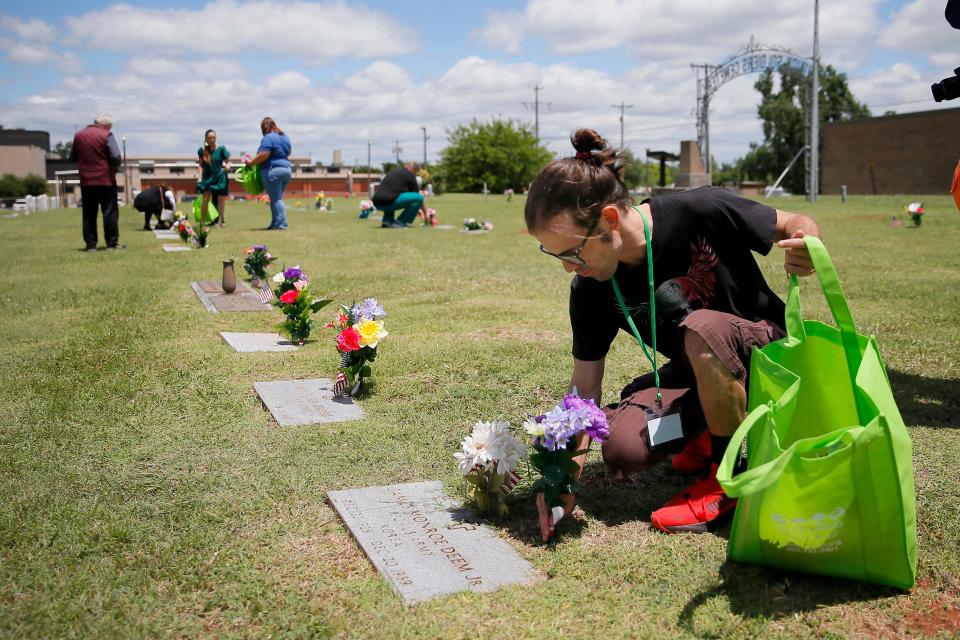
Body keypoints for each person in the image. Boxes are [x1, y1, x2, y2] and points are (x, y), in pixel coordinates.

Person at [525, 129, 819, 541]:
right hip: (700, 373)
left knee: (700, 327)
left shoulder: (699, 208)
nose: (568, 267)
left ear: (609, 219)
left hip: (768, 357)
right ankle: (704, 431)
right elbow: (584, 391)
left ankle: (729, 480)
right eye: (556, 255)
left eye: (573, 253)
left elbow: (792, 221)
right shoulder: (591, 287)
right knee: (624, 446)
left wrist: (806, 239)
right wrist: (563, 484)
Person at [70, 113, 124, 251]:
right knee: (109, 212)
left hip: (86, 181)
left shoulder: (78, 136)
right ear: (106, 125)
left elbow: (73, 157)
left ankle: (90, 244)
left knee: (89, 213)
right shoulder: (107, 135)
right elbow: (115, 156)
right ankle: (111, 243)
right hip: (106, 180)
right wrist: (115, 166)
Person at [245, 117, 291, 230]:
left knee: (276, 199)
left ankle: (281, 224)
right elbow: (288, 152)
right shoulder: (285, 137)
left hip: (273, 171)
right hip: (286, 170)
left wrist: (251, 162)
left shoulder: (268, 138)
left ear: (265, 128)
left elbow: (263, 155)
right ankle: (275, 223)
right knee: (277, 198)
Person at [372, 161, 426, 228]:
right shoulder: (410, 174)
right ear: (413, 168)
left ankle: (387, 221)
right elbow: (417, 197)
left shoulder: (394, 172)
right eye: (416, 171)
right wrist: (426, 214)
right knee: (419, 197)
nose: (415, 173)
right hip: (388, 201)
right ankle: (401, 222)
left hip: (376, 202)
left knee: (392, 195)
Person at [196, 129, 230, 227]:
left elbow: (228, 161)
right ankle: (202, 222)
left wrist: (228, 166)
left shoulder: (221, 149)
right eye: (210, 138)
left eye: (214, 137)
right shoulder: (202, 150)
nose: (212, 140)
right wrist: (199, 177)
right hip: (207, 178)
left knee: (221, 200)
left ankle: (220, 222)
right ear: (206, 138)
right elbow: (200, 165)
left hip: (220, 177)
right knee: (205, 200)